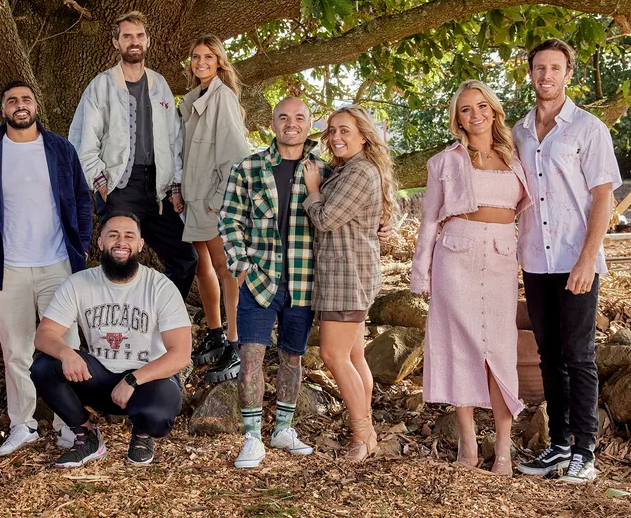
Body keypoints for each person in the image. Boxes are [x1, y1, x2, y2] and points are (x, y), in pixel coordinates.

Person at [512, 39, 622, 483]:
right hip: (536, 260)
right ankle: (558, 446)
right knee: (548, 355)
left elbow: (603, 197)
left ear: (568, 74)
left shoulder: (589, 128)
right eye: (539, 68)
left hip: (578, 260)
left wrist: (587, 258)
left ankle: (586, 451)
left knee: (579, 356)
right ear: (530, 73)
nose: (546, 76)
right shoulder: (517, 131)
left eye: (555, 68)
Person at [410, 81, 533, 476]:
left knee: (499, 352)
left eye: (482, 106)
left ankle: (503, 446)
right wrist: (420, 274)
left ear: (494, 111)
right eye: (466, 109)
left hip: (500, 256)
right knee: (457, 347)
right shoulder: (445, 161)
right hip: (455, 254)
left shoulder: (516, 157)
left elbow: (529, 214)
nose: (475, 114)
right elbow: (429, 218)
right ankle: (467, 441)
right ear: (457, 119)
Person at [0, 81, 93, 455]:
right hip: (7, 270)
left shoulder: (59, 149)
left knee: (67, 344)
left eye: (26, 99)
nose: (19, 106)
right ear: (2, 109)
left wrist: (79, 248)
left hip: (58, 265)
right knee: (16, 350)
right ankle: (23, 425)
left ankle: (71, 424)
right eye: (11, 101)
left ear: (36, 105)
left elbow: (82, 201)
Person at [31, 213, 192, 468]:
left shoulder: (160, 286)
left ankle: (142, 435)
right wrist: (66, 353)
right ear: (101, 242)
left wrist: (133, 379)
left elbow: (181, 353)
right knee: (44, 367)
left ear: (140, 244)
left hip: (148, 379)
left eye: (129, 235)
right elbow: (44, 334)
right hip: (101, 376)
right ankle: (87, 437)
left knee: (154, 416)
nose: (121, 241)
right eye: (113, 235)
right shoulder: (79, 283)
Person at [219, 97, 327, 468]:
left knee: (292, 357)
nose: (291, 123)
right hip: (259, 278)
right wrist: (241, 263)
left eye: (299, 117)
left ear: (309, 124)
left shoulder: (323, 171)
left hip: (303, 279)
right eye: (284, 117)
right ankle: (251, 437)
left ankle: (283, 429)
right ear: (274, 124)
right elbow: (230, 219)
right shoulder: (248, 168)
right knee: (250, 358)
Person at [69, 11, 198, 300]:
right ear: (116, 43)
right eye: (127, 36)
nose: (134, 41)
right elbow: (81, 138)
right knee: (119, 258)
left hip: (157, 189)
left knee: (185, 259)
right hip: (118, 187)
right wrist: (100, 180)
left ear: (148, 41)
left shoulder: (159, 84)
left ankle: (157, 319)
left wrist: (175, 185)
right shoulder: (101, 86)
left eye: (139, 36)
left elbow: (174, 138)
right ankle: (111, 326)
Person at [303, 105, 397, 462]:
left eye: (344, 130)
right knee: (355, 356)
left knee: (333, 355)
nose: (336, 137)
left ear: (363, 135)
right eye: (331, 131)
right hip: (347, 272)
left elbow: (326, 219)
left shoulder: (359, 172)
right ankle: (365, 430)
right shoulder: (347, 169)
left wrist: (313, 190)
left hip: (347, 276)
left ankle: (363, 434)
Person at [179, 34, 251, 383]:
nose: (201, 62)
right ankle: (215, 331)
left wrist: (219, 201)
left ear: (220, 61)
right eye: (195, 57)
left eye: (208, 56)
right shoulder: (194, 98)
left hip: (214, 199)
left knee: (227, 269)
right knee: (201, 265)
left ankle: (236, 345)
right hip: (193, 197)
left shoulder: (222, 98)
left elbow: (236, 155)